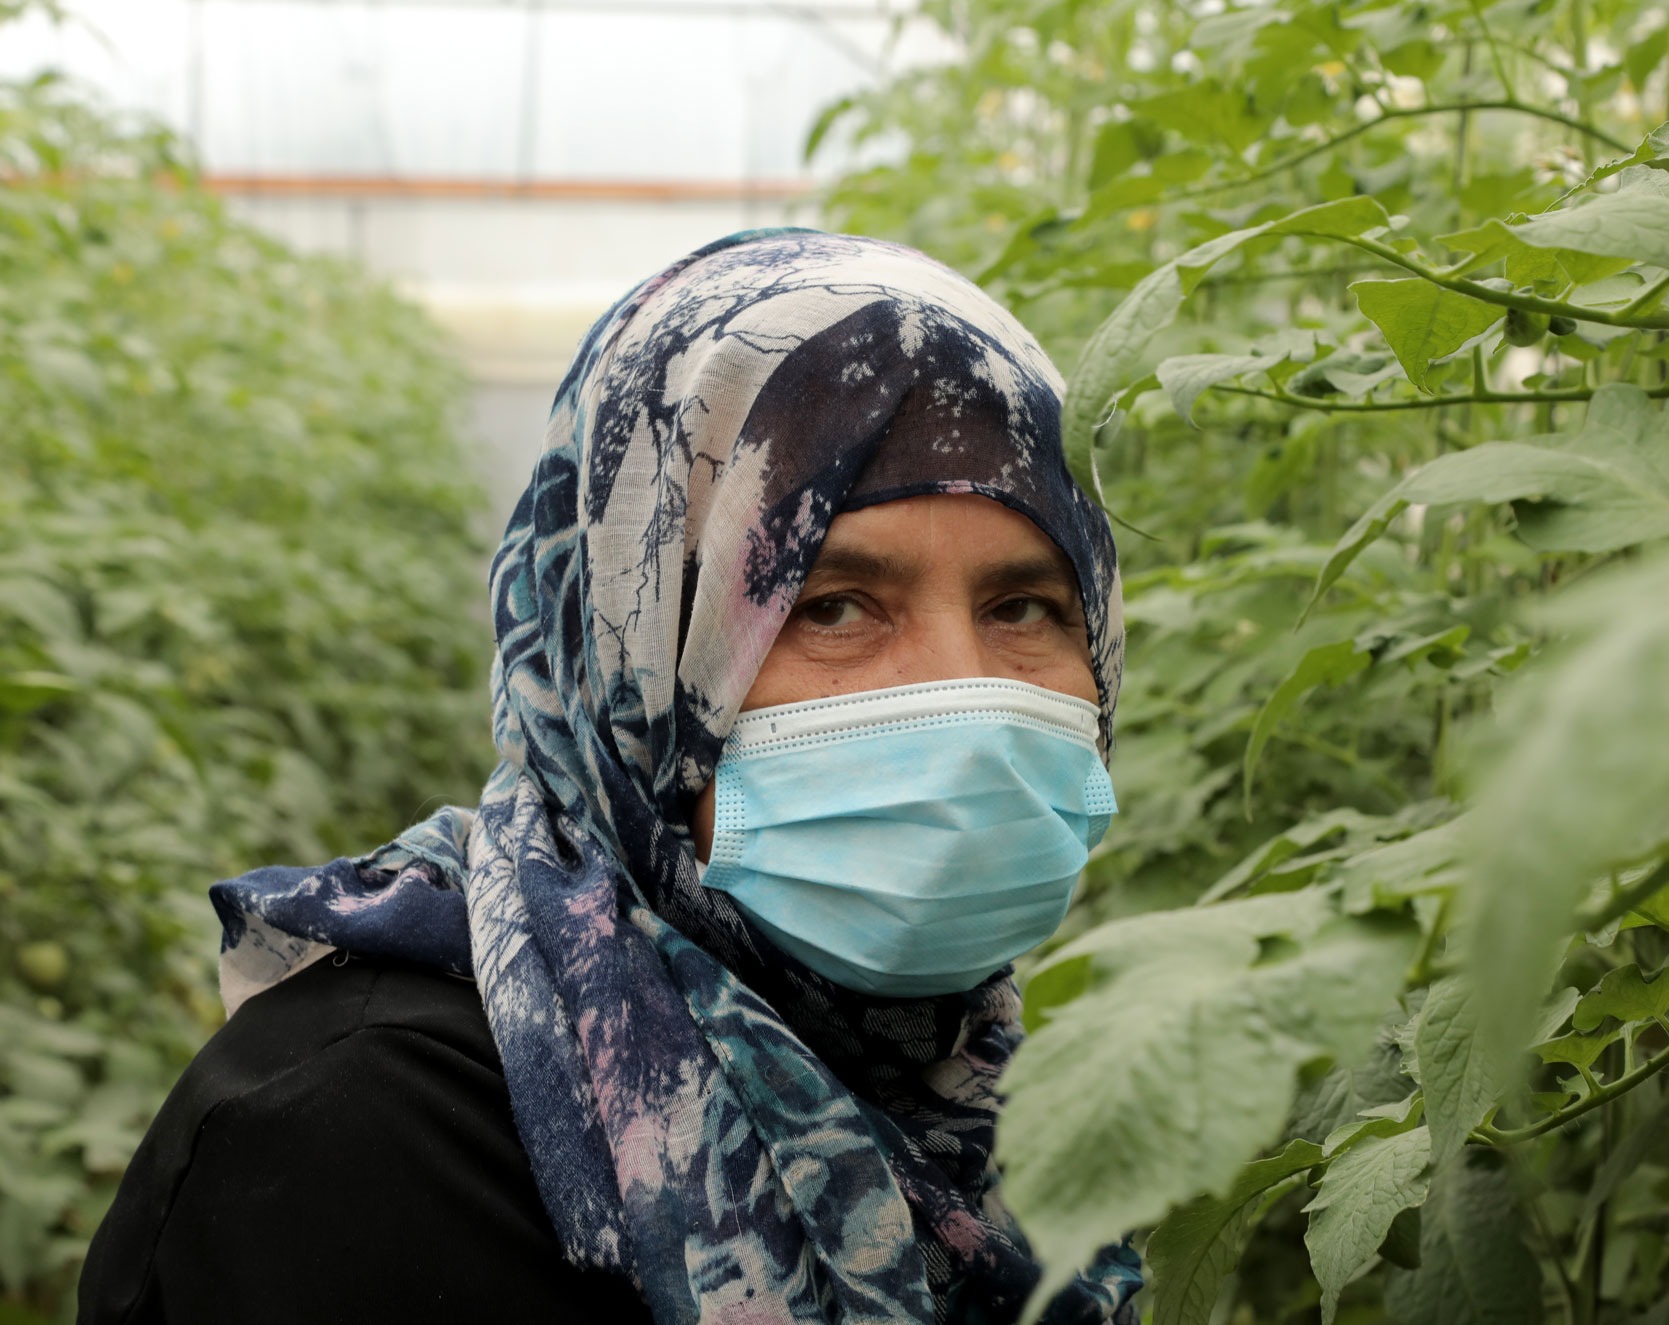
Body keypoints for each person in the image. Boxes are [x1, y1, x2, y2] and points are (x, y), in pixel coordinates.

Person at [77, 230, 1142, 1324]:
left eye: (1023, 607)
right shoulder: (366, 1136)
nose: (959, 700)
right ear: (633, 656)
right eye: (828, 605)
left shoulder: (1022, 1102)